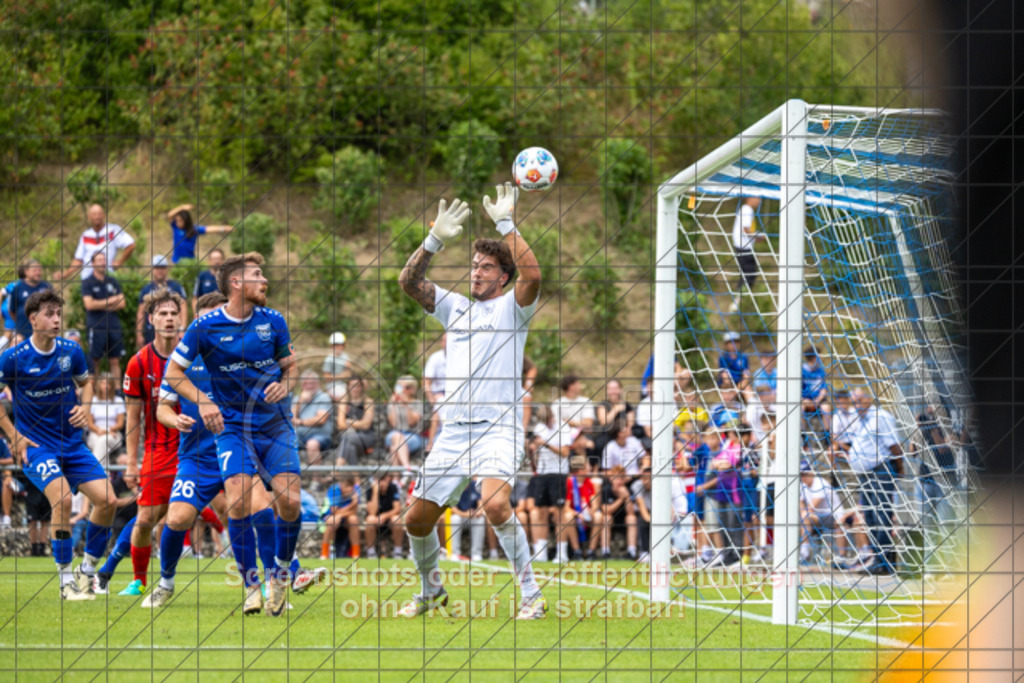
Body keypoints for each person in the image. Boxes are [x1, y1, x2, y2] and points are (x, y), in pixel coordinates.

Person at [396, 183, 546, 619]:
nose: (476, 272)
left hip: (498, 427)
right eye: (474, 265)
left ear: (503, 276)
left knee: (496, 503)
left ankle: (532, 596)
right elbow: (409, 281)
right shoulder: (454, 306)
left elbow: (533, 276)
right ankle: (431, 591)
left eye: (486, 267)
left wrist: (505, 223)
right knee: (416, 521)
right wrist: (433, 240)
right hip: (453, 433)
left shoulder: (513, 309)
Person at [163, 252, 302, 616]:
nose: (265, 280)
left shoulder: (273, 321)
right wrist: (203, 401)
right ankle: (252, 585)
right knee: (238, 499)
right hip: (232, 426)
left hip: (275, 424)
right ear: (237, 283)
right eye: (258, 274)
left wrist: (286, 385)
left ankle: (282, 573)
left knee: (290, 503)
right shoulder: (204, 326)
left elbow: (291, 368)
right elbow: (173, 375)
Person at [0, 289, 119, 599]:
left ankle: (87, 570)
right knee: (63, 500)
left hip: (73, 446)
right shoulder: (12, 358)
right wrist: (13, 436)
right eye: (50, 314)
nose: (56, 320)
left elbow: (87, 382)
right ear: (33, 319)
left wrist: (86, 407)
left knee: (108, 501)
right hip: (38, 447)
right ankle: (66, 583)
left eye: (58, 314)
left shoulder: (71, 351)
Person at [135, 292, 230, 607]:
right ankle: (165, 583)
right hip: (197, 458)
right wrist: (175, 420)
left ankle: (279, 578)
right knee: (175, 519)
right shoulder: (182, 362)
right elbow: (161, 408)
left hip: (237, 451)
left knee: (258, 510)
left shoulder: (243, 355)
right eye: (208, 318)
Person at [119, 288, 185, 596]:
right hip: (158, 450)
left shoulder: (194, 356)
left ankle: (263, 579)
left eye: (174, 313)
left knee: (235, 507)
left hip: (195, 450)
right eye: (163, 313)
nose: (169, 318)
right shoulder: (138, 363)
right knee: (146, 517)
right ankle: (139, 581)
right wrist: (132, 462)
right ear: (150, 319)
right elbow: (133, 419)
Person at [837, 389, 904, 574]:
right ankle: (876, 560)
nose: (857, 405)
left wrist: (900, 467)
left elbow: (894, 445)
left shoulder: (880, 417)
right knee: (870, 517)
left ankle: (885, 563)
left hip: (881, 471)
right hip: (865, 474)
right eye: (854, 402)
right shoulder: (860, 420)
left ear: (868, 399)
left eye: (859, 400)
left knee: (881, 515)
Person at [798, 461, 869, 569]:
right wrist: (803, 512)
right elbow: (801, 505)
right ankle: (804, 551)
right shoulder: (802, 486)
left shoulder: (819, 483)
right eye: (801, 475)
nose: (804, 477)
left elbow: (812, 507)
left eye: (805, 474)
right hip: (818, 516)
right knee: (803, 517)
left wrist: (804, 512)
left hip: (833, 514)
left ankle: (842, 556)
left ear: (812, 473)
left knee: (841, 521)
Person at [54, 204, 136, 281]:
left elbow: (130, 245)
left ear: (104, 215)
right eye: (94, 214)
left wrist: (119, 262)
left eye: (99, 214)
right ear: (89, 217)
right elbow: (78, 259)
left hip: (107, 277)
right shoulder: (86, 235)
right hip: (87, 279)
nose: (97, 217)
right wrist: (65, 274)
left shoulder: (113, 230)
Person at [81, 251, 127, 386]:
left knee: (115, 360)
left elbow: (123, 303)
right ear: (93, 263)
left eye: (104, 260)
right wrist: (112, 300)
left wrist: (100, 304)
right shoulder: (87, 282)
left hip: (113, 325)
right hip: (96, 326)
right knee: (95, 360)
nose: (102, 262)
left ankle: (118, 392)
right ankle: (93, 393)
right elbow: (89, 304)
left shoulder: (112, 281)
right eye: (99, 260)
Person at [137, 255, 188, 347]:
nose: (159, 270)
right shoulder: (146, 289)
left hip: (172, 330)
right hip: (151, 331)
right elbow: (140, 313)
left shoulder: (176, 287)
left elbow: (183, 309)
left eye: (162, 267)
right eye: (157, 267)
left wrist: (182, 329)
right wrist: (139, 334)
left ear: (167, 269)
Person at [292, 370, 334, 469]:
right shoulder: (297, 399)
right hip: (299, 436)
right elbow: (291, 419)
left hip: (320, 437)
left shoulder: (324, 397)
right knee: (284, 442)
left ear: (318, 384)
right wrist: (300, 401)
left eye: (312, 383)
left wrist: (301, 422)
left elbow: (321, 420)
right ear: (301, 385)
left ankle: (316, 480)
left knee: (312, 444)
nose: (309, 386)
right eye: (306, 383)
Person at [729, 196, 764, 312]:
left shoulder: (746, 209)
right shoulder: (747, 210)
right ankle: (738, 301)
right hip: (743, 247)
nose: (759, 200)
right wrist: (758, 237)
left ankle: (740, 300)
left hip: (742, 246)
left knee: (747, 274)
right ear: (750, 198)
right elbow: (746, 229)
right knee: (750, 274)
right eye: (757, 198)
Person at [166, 205, 234, 264]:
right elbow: (169, 214)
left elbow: (208, 229)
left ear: (185, 220)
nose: (178, 222)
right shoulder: (175, 227)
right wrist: (182, 207)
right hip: (176, 261)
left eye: (180, 220)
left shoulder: (194, 229)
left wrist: (224, 228)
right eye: (177, 220)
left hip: (190, 260)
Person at [85, 374, 125, 470]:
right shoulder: (93, 400)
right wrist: (100, 430)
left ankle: (94, 472)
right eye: (103, 383)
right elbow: (90, 423)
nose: (106, 386)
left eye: (108, 384)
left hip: (114, 434)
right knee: (101, 444)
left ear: (111, 386)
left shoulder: (118, 400)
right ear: (99, 385)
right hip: (95, 433)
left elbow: (120, 424)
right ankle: (105, 475)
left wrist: (106, 431)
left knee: (103, 441)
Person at [385, 376, 424, 470]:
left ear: (412, 389)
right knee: (397, 436)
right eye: (400, 387)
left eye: (407, 387)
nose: (403, 390)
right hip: (394, 434)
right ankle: (407, 468)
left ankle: (396, 480)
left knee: (394, 448)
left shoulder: (417, 403)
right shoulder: (393, 404)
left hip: (412, 435)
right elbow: (393, 424)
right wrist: (394, 405)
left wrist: (406, 404)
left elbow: (412, 423)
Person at [336, 375, 376, 466]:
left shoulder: (368, 402)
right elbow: (340, 425)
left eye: (358, 386)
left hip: (366, 437)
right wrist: (358, 423)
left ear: (362, 387)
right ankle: (356, 478)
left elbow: (366, 425)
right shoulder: (344, 402)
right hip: (350, 437)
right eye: (352, 385)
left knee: (347, 437)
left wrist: (349, 422)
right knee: (350, 446)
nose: (355, 388)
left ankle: (337, 470)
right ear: (348, 387)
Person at [9, 259, 52, 344]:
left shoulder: (47, 287)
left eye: (39, 270)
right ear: (26, 271)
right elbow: (12, 311)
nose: (38, 272)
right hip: (22, 334)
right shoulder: (17, 289)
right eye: (34, 270)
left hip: (43, 334)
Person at [364, 472, 404, 559]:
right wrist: (375, 492)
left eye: (385, 481)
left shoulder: (393, 488)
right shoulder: (370, 490)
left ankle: (398, 552)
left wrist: (384, 516)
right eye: (380, 481)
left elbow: (397, 509)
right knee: (370, 519)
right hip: (375, 520)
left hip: (388, 519)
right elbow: (372, 512)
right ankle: (371, 552)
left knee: (396, 519)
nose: (383, 484)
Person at [322, 475, 360, 560]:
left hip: (346, 517)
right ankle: (324, 554)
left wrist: (341, 514)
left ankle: (355, 553)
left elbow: (354, 512)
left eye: (349, 486)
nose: (346, 489)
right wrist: (353, 504)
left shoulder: (356, 490)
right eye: (344, 486)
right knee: (332, 521)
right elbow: (334, 511)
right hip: (331, 516)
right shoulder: (334, 489)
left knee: (353, 519)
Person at [423, 333, 446, 451]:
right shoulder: (435, 358)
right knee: (439, 404)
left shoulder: (462, 358)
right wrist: (431, 399)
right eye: (444, 341)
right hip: (438, 395)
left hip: (455, 394)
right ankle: (431, 443)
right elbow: (426, 382)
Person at [191, 247, 225, 313]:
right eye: (214, 259)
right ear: (209, 261)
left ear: (223, 260)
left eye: (219, 259)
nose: (216, 261)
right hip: (206, 314)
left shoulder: (228, 277)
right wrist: (196, 314)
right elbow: (195, 298)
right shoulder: (202, 276)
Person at [321, 331, 350, 400]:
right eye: (336, 345)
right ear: (332, 346)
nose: (339, 347)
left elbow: (348, 375)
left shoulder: (346, 357)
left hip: (344, 385)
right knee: (343, 396)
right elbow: (326, 377)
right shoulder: (329, 359)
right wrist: (342, 376)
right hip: (332, 386)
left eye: (341, 344)